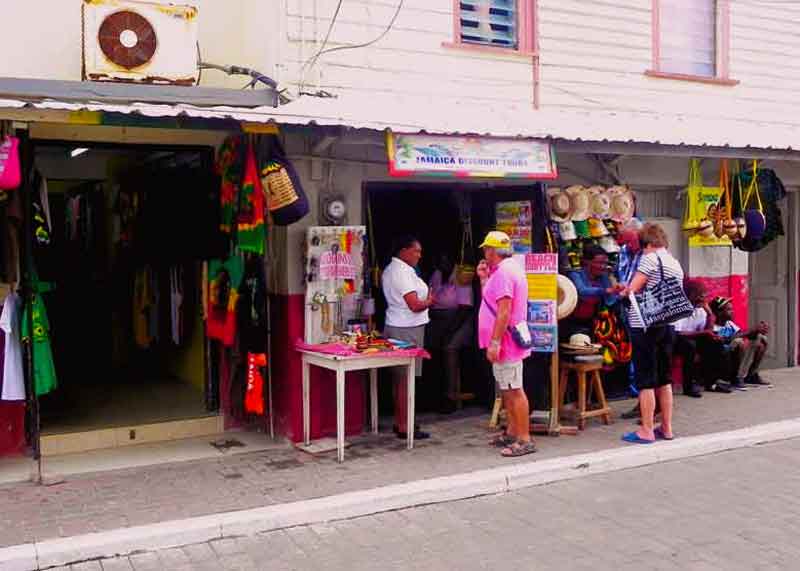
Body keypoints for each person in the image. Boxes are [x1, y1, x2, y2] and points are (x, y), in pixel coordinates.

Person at [619, 222, 682, 443]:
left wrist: (624, 290)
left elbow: (632, 290)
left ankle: (646, 429)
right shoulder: (673, 262)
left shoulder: (649, 260)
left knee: (646, 379)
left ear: (646, 242)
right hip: (668, 324)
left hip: (645, 326)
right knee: (664, 379)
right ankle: (666, 427)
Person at [476, 231, 536, 457]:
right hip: (505, 341)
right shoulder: (506, 270)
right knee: (507, 389)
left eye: (486, 249)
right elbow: (492, 302)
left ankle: (524, 439)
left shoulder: (503, 273)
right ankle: (512, 432)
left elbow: (503, 311)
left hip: (506, 342)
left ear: (492, 250)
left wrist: (495, 342)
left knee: (514, 390)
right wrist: (484, 279)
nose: (484, 254)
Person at [382, 235, 435, 440]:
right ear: (404, 251)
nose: (419, 255)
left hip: (400, 325)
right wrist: (430, 301)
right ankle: (405, 425)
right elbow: (414, 305)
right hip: (406, 328)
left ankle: (401, 421)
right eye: (416, 251)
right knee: (405, 378)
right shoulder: (401, 272)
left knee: (400, 378)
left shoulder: (395, 269)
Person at [427, 254, 474, 413]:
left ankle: (451, 397)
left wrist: (449, 331)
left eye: (446, 259)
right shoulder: (437, 274)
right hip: (438, 318)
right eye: (440, 261)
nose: (442, 263)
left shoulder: (461, 274)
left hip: (459, 319)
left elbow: (465, 308)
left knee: (449, 348)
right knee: (430, 349)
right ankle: (433, 395)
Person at [709, 296, 771, 391]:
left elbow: (744, 334)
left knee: (761, 339)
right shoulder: (713, 326)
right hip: (723, 357)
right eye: (729, 309)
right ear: (719, 312)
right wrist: (751, 331)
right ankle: (737, 377)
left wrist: (758, 331)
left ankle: (751, 374)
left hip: (736, 352)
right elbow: (725, 340)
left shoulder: (729, 323)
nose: (732, 311)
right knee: (739, 342)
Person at [564, 244, 622, 340]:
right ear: (586, 262)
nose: (603, 266)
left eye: (605, 263)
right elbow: (582, 291)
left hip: (593, 322)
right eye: (599, 263)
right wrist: (606, 290)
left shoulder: (603, 276)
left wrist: (619, 292)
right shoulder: (575, 274)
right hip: (573, 323)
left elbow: (610, 300)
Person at [672, 279, 717, 398]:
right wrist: (704, 332)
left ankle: (711, 382)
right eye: (700, 295)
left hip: (691, 338)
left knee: (713, 342)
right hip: (673, 340)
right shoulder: (679, 308)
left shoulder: (701, 310)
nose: (703, 298)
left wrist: (710, 314)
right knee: (689, 346)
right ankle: (688, 387)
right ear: (690, 295)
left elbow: (709, 330)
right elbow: (678, 333)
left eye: (704, 295)